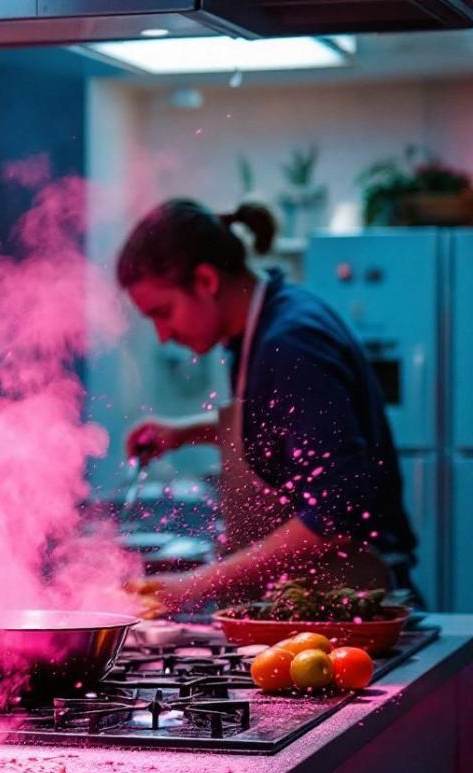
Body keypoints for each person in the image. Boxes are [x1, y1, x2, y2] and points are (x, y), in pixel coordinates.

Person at [116, 199, 418, 614]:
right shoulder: (262, 328)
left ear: (206, 280)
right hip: (309, 609)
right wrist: (186, 433)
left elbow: (336, 512)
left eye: (163, 313)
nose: (164, 335)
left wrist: (195, 583)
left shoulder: (291, 342)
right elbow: (282, 426)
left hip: (351, 607)